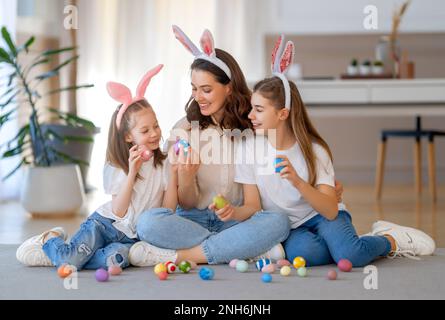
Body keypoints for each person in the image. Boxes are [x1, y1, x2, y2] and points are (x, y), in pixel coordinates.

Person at [234, 36, 436, 267]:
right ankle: (343, 244)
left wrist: (298, 182)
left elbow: (330, 211)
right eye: (252, 108)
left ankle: (389, 238)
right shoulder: (248, 148)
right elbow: (253, 205)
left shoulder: (314, 150)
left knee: (351, 256)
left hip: (323, 215)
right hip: (293, 227)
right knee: (306, 256)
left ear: (283, 113)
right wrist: (233, 213)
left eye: (258, 110)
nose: (250, 116)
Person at [128, 26, 292, 267]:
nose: (198, 97)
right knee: (148, 223)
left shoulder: (253, 127)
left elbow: (255, 201)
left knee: (279, 221)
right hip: (191, 220)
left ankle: (185, 256)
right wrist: (186, 176)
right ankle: (240, 248)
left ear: (229, 87)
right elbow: (186, 203)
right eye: (194, 89)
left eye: (206, 89)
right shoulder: (183, 129)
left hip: (236, 219)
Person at [16, 65, 179, 271]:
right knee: (72, 262)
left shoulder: (163, 164)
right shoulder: (118, 164)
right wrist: (132, 173)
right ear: (128, 136)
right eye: (145, 130)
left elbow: (167, 212)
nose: (155, 133)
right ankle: (52, 239)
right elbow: (119, 211)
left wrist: (173, 174)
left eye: (156, 126)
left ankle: (67, 255)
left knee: (117, 260)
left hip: (130, 239)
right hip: (105, 225)